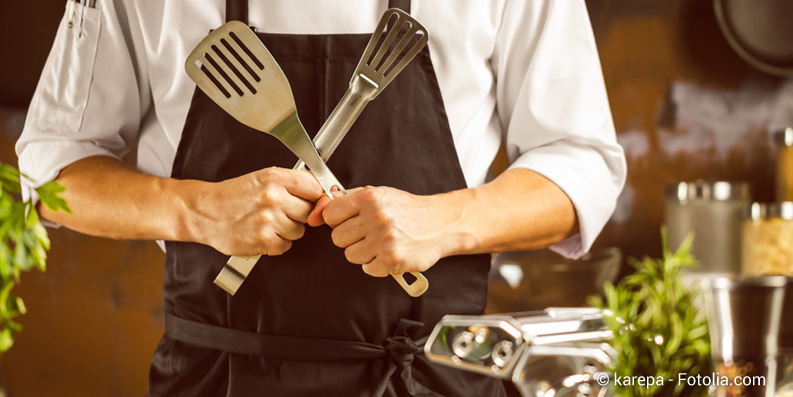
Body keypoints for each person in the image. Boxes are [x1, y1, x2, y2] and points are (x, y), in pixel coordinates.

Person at [16, 0, 626, 395]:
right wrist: (194, 209)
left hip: (429, 374)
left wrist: (444, 221)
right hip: (218, 376)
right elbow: (52, 168)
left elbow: (582, 165)